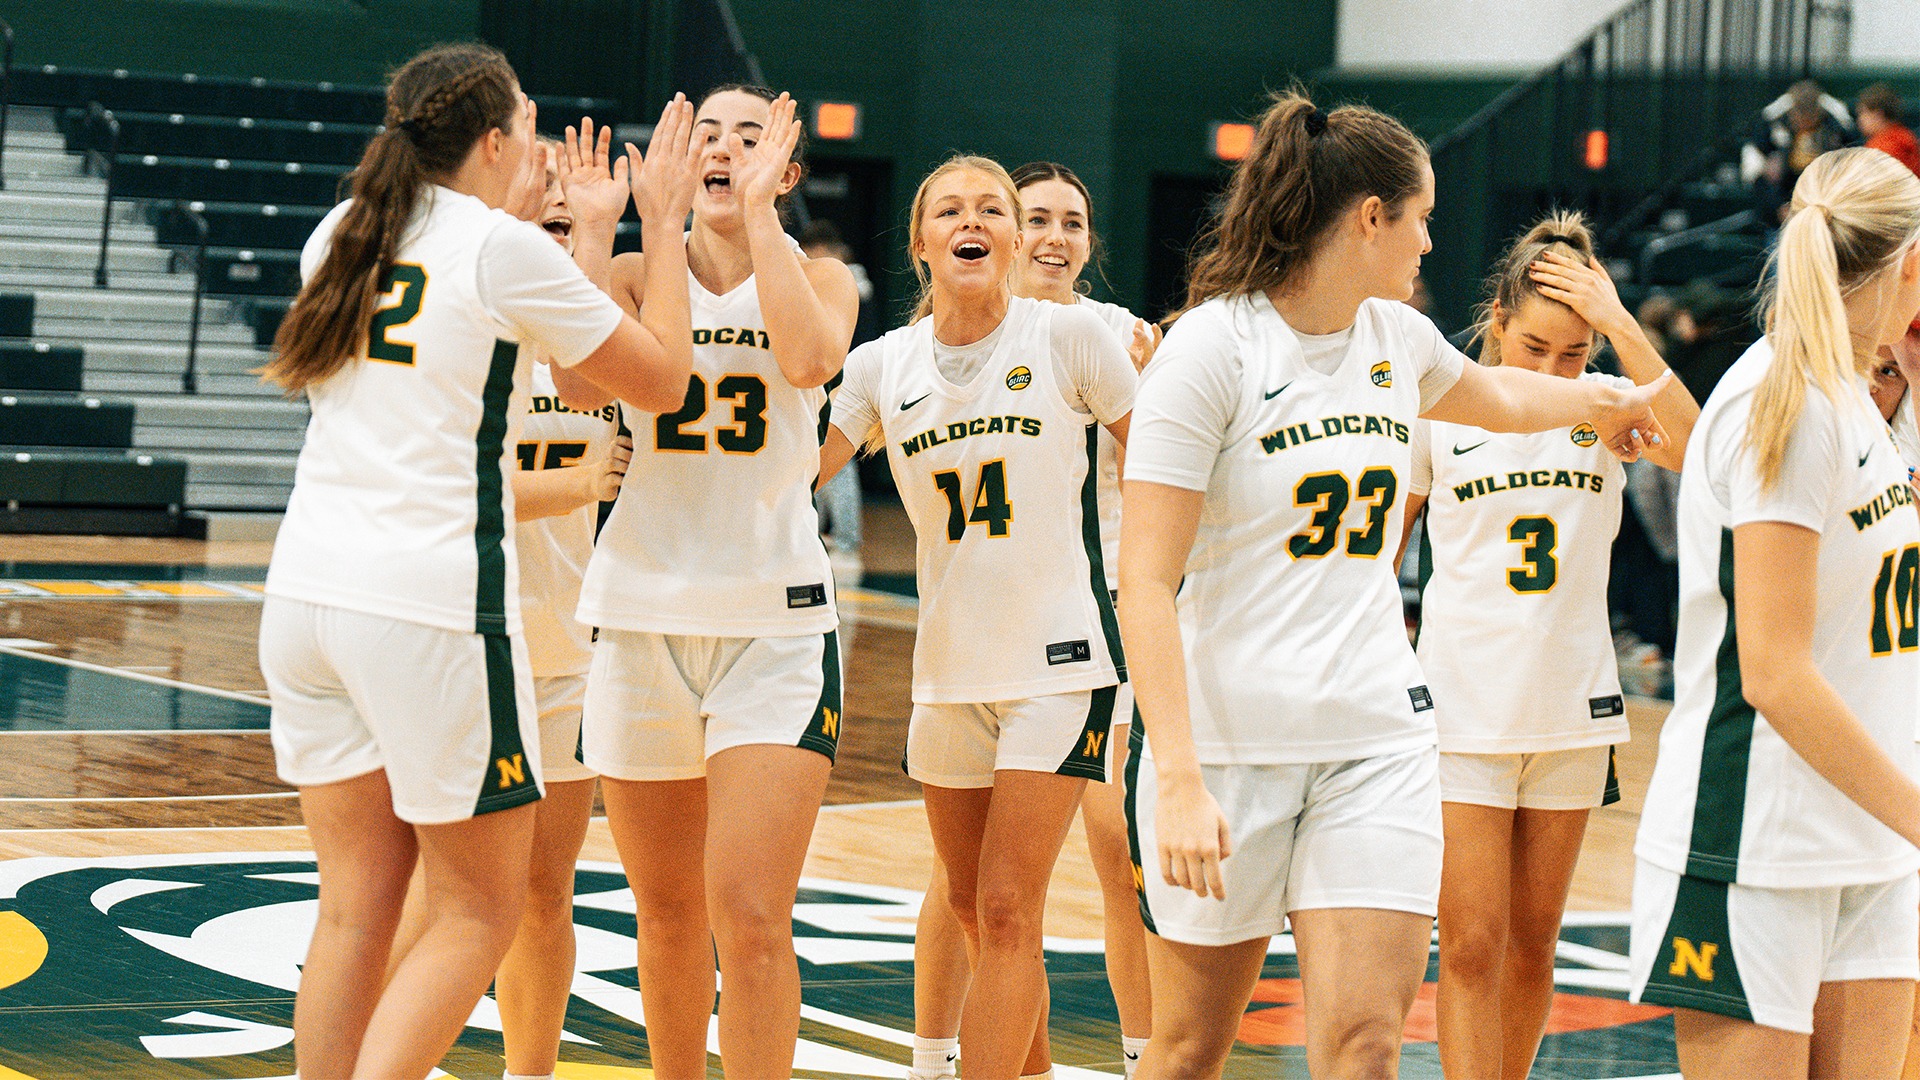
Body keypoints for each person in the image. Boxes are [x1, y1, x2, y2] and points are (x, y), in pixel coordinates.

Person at [1117, 91, 1673, 1080]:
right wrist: (1178, 779)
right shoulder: (1212, 351)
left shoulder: (1395, 340)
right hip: (1230, 749)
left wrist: (1604, 402)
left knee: (1367, 1044)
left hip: (1376, 741)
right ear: (1370, 217)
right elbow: (1145, 584)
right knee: (1191, 1047)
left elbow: (1501, 395)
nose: (1429, 240)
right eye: (1418, 216)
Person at [257, 43, 696, 1080]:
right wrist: (660, 226)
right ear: (495, 141)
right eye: (528, 127)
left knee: (356, 910)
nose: (539, 145)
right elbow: (659, 380)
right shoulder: (497, 251)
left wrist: (577, 230)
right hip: (431, 607)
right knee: (478, 909)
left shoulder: (342, 231)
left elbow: (569, 383)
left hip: (306, 599)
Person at [819, 154, 1138, 1080]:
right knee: (970, 909)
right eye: (950, 209)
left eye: (992, 208)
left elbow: (1164, 457)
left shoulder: (1072, 339)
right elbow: (797, 470)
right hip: (947, 666)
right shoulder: (883, 365)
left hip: (1061, 660)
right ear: (921, 242)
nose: (975, 220)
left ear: (1011, 235)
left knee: (1007, 908)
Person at [572, 86, 859, 1080]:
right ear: (674, 160)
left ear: (784, 164)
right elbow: (580, 386)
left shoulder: (822, 275)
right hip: (641, 614)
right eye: (706, 136)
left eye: (751, 136)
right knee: (666, 913)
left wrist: (766, 218)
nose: (725, 149)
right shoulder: (624, 268)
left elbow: (812, 358)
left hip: (773, 629)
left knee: (749, 914)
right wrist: (643, 229)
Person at [1630, 146, 1920, 1078]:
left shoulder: (1863, 400)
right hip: (1753, 844)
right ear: (1909, 263)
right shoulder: (1782, 403)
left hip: (1873, 841)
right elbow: (1776, 671)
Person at [1397, 210, 1698, 1080]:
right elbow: (1379, 560)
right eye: (1535, 349)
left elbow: (1701, 448)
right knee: (1470, 946)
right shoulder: (1441, 411)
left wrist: (1621, 324)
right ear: (1495, 321)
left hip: (1572, 708)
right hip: (1461, 711)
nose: (1555, 370)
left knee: (1534, 948)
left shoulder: (1603, 409)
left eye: (1574, 355)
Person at [905, 160, 1160, 1080]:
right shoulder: (918, 350)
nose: (1056, 237)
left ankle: (1144, 1052)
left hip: (1102, 621)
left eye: (1074, 224)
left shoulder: (1117, 339)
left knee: (1114, 849)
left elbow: (1176, 470)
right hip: (970, 635)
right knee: (967, 887)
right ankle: (943, 1053)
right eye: (1039, 216)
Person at [800, 220, 872, 583]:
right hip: (838, 376)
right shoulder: (850, 278)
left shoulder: (845, 280)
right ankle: (838, 535)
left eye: (812, 251)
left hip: (845, 378)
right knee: (834, 463)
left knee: (840, 464)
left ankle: (845, 539)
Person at [1745, 80, 1855, 226]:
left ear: (1818, 114)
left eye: (1810, 120)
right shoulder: (1771, 124)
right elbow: (1756, 172)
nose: (1805, 125)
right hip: (1783, 202)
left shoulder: (1837, 125)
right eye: (1799, 120)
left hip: (1824, 201)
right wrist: (1778, 207)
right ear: (1792, 114)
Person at [1858, 83, 1920, 179]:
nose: (1860, 119)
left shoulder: (1880, 148)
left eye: (1862, 113)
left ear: (1877, 115)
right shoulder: (1906, 135)